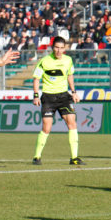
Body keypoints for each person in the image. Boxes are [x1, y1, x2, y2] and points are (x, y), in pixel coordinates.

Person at [31, 36, 85, 166]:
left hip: (63, 96)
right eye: (56, 47)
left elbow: (70, 76)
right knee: (47, 127)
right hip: (48, 97)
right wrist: (36, 95)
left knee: (72, 123)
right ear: (52, 47)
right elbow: (36, 79)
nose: (59, 50)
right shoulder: (44, 61)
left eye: (61, 48)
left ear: (65, 48)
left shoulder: (68, 60)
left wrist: (73, 92)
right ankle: (37, 156)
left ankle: (74, 157)